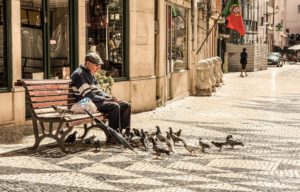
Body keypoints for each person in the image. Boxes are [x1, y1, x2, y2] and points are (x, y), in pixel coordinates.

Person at [71, 52, 131, 143]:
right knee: (114, 106)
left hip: (95, 102)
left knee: (126, 105)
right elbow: (88, 96)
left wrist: (109, 97)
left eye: (98, 65)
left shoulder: (90, 73)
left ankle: (124, 133)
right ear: (87, 63)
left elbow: (98, 91)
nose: (98, 68)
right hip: (86, 104)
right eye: (96, 65)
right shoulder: (79, 74)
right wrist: (107, 99)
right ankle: (112, 136)